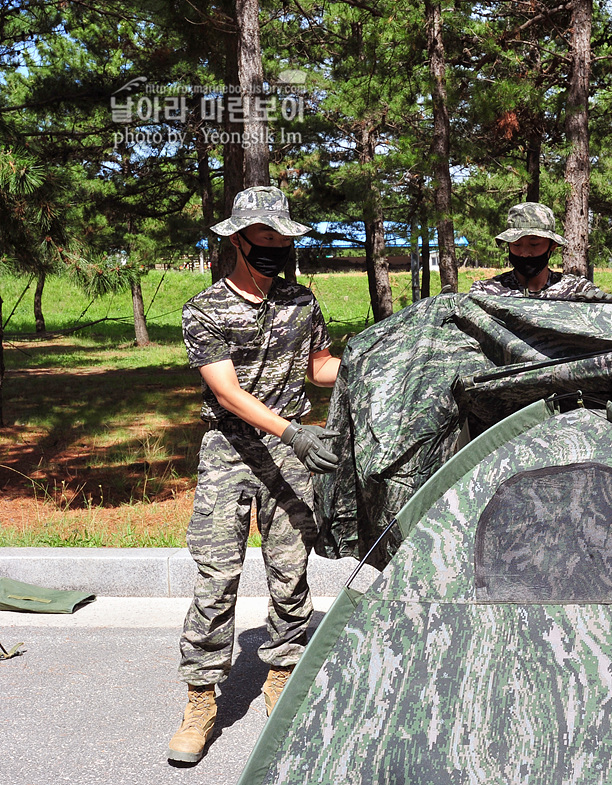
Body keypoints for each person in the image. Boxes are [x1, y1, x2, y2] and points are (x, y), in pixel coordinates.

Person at [167, 186, 341, 764]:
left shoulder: (302, 302)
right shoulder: (204, 309)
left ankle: (282, 676)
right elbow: (228, 393)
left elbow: (320, 368)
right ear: (238, 240)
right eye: (265, 237)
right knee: (217, 578)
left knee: (290, 574)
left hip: (293, 453)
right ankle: (200, 698)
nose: (277, 247)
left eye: (283, 238)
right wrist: (291, 432)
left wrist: (375, 362)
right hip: (231, 450)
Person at [470, 201, 612, 302]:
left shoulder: (576, 290)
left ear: (552, 246)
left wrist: (602, 308)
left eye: (534, 244)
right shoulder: (486, 291)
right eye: (516, 244)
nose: (525, 253)